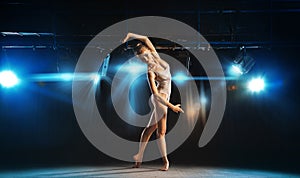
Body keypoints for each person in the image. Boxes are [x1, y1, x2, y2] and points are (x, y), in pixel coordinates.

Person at [122, 32, 184, 171]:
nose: (147, 58)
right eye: (143, 58)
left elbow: (144, 38)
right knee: (161, 132)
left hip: (164, 98)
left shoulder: (156, 56)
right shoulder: (150, 71)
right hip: (160, 100)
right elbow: (155, 95)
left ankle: (139, 158)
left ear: (150, 51)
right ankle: (166, 162)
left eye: (147, 54)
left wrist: (129, 35)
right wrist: (171, 106)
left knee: (148, 131)